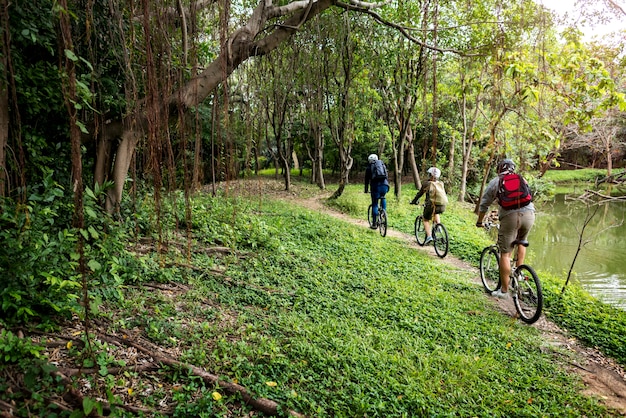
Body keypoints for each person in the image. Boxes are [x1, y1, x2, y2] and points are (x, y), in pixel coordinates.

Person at [475, 158, 536, 299]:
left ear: (499, 169)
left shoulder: (496, 182)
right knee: (522, 241)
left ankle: (504, 291)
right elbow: (529, 196)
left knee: (505, 253)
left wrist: (479, 221)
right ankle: (519, 273)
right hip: (529, 215)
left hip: (510, 217)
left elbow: (484, 204)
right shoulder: (522, 179)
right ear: (512, 168)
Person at [410, 167, 448, 244]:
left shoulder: (427, 184)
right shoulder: (441, 183)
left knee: (425, 219)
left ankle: (429, 236)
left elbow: (419, 194)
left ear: (430, 175)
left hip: (431, 205)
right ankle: (438, 227)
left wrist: (413, 201)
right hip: (442, 205)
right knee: (436, 212)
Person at [364, 154, 390, 229]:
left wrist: (366, 190)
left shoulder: (369, 167)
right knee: (383, 197)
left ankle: (374, 224)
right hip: (385, 185)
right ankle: (383, 213)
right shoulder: (382, 164)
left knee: (375, 204)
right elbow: (386, 175)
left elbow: (366, 180)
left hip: (376, 187)